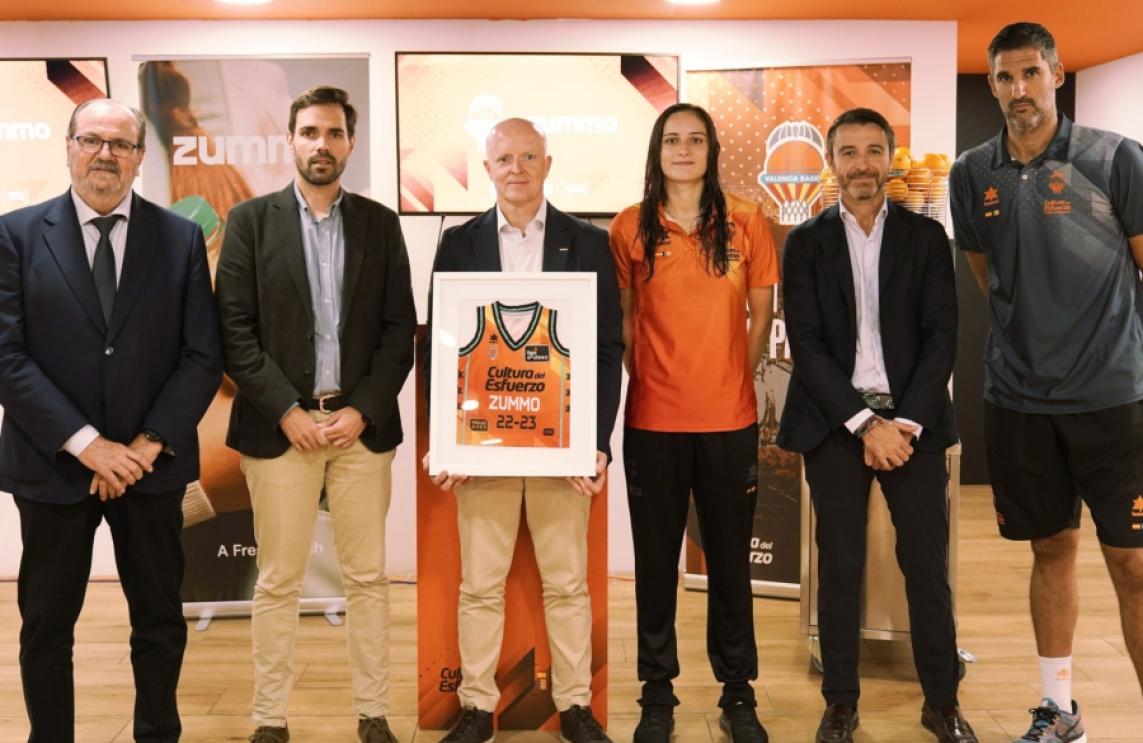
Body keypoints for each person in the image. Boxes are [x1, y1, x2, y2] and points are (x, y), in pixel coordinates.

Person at [0, 98, 222, 743]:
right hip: (53, 466)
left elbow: (202, 355)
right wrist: (89, 445)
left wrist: (145, 446)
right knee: (47, 626)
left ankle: (157, 733)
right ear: (69, 147)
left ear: (139, 157)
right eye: (92, 140)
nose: (105, 154)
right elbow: (7, 356)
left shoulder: (179, 238)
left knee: (159, 620)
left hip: (150, 469)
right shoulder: (14, 235)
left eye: (120, 144)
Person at [950, 21, 1143, 743]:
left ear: (1057, 74)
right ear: (993, 84)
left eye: (1031, 72)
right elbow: (989, 275)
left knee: (1132, 563)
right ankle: (1060, 710)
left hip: (1114, 397)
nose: (1018, 89)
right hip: (1020, 399)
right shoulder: (973, 171)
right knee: (1050, 549)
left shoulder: (1114, 157)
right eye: (1005, 76)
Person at [214, 86, 416, 743]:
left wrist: (361, 409)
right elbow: (234, 332)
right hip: (281, 432)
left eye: (333, 133)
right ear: (291, 141)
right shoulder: (249, 221)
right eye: (309, 132)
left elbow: (398, 331)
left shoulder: (380, 224)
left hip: (360, 431)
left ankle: (373, 714)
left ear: (350, 143)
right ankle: (269, 720)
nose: (320, 144)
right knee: (278, 580)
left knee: (367, 578)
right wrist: (286, 411)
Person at [779, 108, 976, 743]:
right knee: (839, 566)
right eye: (848, 152)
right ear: (831, 162)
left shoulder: (927, 238)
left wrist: (904, 424)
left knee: (927, 565)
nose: (861, 164)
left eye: (872, 150)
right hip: (836, 421)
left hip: (914, 423)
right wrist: (867, 425)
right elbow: (807, 346)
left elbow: (942, 337)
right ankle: (840, 702)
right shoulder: (805, 243)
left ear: (889, 158)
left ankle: (942, 702)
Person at [423, 117, 622, 743]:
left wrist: (596, 444)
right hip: (483, 447)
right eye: (504, 158)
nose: (517, 168)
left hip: (562, 447)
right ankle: (477, 709)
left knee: (568, 584)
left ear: (547, 164)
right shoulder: (458, 243)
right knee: (480, 586)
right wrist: (444, 439)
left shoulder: (588, 243)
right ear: (487, 169)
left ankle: (575, 706)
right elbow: (440, 349)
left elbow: (606, 350)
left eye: (529, 156)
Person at [608, 102, 778, 743]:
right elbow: (624, 322)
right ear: (657, 151)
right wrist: (653, 377)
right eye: (672, 139)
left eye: (696, 140)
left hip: (729, 421)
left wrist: (732, 375)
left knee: (730, 563)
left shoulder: (747, 220)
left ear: (711, 151)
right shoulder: (629, 226)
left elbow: (761, 317)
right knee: (656, 565)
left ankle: (738, 693)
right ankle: (657, 694)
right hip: (652, 420)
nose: (684, 149)